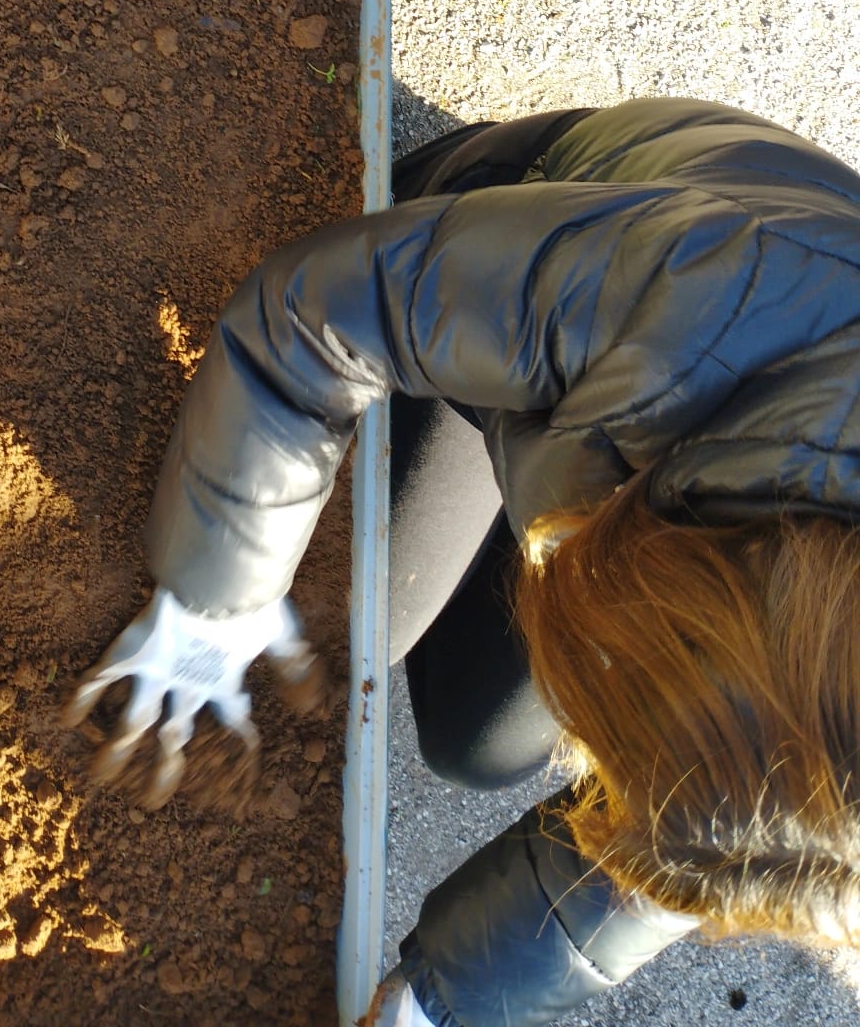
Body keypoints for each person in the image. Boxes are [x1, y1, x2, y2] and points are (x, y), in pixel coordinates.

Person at [66, 97, 860, 1025]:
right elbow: (322, 312)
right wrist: (215, 595)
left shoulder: (818, 771)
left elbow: (705, 842)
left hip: (607, 458)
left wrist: (439, 1005)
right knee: (368, 624)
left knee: (477, 748)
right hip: (529, 230)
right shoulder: (700, 296)